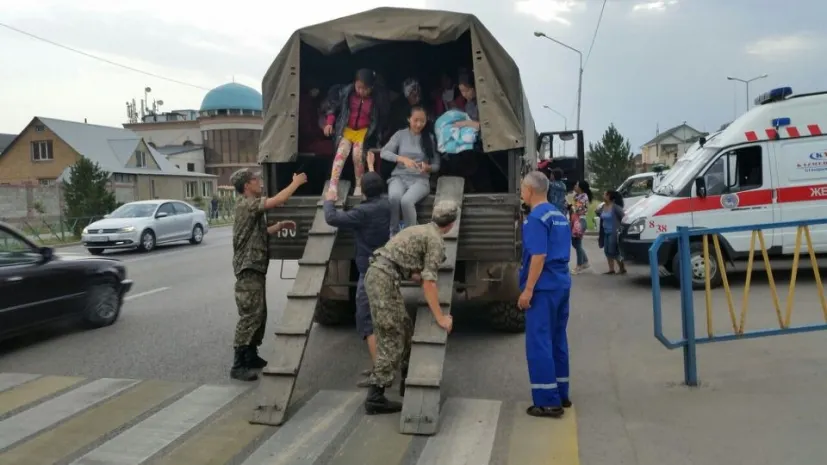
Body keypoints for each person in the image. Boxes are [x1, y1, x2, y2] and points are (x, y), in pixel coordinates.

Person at [363, 200, 457, 415]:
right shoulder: (435, 240)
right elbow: (429, 283)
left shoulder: (420, 228)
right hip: (383, 280)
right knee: (392, 337)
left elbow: (402, 259)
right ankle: (375, 397)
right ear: (451, 224)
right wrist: (441, 318)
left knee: (405, 327)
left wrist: (415, 274)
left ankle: (407, 379)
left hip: (380, 274)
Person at [229, 168, 308, 381]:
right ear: (247, 186)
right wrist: (296, 182)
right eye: (256, 180)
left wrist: (278, 226)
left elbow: (258, 233)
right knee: (250, 316)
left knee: (259, 314)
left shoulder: (250, 207)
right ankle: (238, 365)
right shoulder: (247, 204)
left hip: (255, 267)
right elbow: (278, 199)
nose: (259, 182)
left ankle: (251, 355)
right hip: (248, 269)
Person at [323, 171, 391, 387]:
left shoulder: (362, 212)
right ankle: (386, 363)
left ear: (364, 191)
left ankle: (380, 371)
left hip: (368, 271)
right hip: (387, 268)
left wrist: (329, 201)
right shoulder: (388, 205)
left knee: (366, 319)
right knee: (385, 316)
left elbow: (332, 218)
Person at [517, 171, 572, 418]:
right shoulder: (559, 215)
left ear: (529, 191)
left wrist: (528, 290)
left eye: (521, 189)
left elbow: (538, 255)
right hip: (561, 283)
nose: (521, 193)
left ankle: (547, 401)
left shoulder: (536, 219)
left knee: (539, 342)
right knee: (557, 339)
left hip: (544, 286)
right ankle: (562, 393)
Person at [324, 68, 386, 200]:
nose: (361, 91)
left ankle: (359, 186)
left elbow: (380, 120)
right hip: (347, 129)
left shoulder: (376, 99)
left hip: (363, 132)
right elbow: (334, 107)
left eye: (365, 89)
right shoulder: (347, 93)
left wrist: (377, 137)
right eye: (359, 87)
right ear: (354, 84)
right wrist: (329, 122)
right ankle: (333, 187)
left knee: (357, 156)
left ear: (372, 87)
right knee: (340, 155)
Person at [380, 106, 440, 235]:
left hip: (420, 179)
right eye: (416, 120)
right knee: (394, 197)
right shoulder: (400, 134)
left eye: (422, 121)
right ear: (409, 119)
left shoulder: (429, 138)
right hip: (399, 177)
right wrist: (401, 159)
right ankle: (394, 233)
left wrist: (428, 167)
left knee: (406, 201)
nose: (419, 124)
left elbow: (437, 165)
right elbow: (384, 153)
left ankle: (411, 236)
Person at [598, 190, 626, 275]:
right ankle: (611, 269)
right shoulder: (603, 206)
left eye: (605, 194)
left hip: (613, 232)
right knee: (607, 251)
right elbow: (600, 215)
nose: (603, 195)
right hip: (605, 231)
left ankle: (622, 267)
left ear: (609, 197)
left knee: (614, 251)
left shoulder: (615, 207)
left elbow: (623, 217)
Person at [571, 180, 593, 274]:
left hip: (580, 221)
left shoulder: (583, 197)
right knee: (575, 244)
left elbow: (578, 210)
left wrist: (571, 208)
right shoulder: (577, 196)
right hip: (575, 220)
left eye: (576, 185)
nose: (575, 186)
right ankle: (585, 262)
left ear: (580, 188)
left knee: (578, 244)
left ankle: (579, 266)